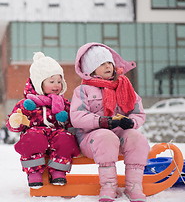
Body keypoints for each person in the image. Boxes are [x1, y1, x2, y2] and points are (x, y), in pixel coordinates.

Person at [70, 43, 150, 202]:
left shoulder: (125, 86)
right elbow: (77, 116)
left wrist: (131, 122)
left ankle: (134, 185)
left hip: (119, 136)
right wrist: (101, 121)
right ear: (91, 70)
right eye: (102, 64)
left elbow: (138, 112)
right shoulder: (83, 90)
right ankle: (108, 185)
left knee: (137, 138)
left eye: (109, 63)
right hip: (91, 140)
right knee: (106, 137)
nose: (108, 66)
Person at [6, 52, 80, 188]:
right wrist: (15, 121)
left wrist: (68, 123)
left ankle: (58, 171)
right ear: (39, 83)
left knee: (66, 139)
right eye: (51, 81)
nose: (56, 85)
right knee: (33, 137)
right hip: (36, 135)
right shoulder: (27, 103)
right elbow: (14, 126)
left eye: (59, 81)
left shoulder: (63, 103)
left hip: (56, 135)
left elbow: (73, 122)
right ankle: (33, 172)